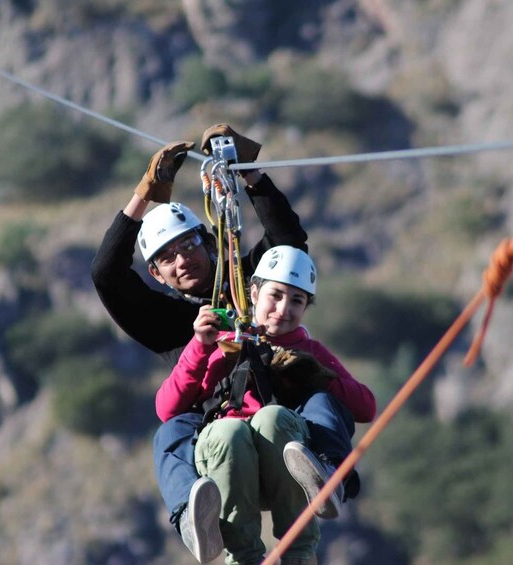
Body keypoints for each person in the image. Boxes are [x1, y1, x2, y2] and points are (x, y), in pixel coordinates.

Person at [91, 125, 311, 562]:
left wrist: (251, 174)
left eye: (188, 245)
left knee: (324, 398)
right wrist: (145, 195)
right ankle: (192, 519)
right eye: (166, 258)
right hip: (218, 429)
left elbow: (287, 242)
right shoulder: (169, 322)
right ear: (156, 275)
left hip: (277, 413)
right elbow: (106, 274)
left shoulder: (255, 284)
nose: (181, 260)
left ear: (210, 243)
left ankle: (330, 476)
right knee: (170, 433)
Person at [157, 246, 376, 565]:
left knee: (275, 417)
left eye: (297, 301)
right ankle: (213, 533)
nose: (283, 309)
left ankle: (323, 486)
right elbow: (167, 408)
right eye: (276, 295)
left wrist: (317, 374)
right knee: (226, 431)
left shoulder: (309, 349)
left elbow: (365, 407)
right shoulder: (223, 344)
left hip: (285, 461)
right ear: (254, 293)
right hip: (228, 457)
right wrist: (200, 347)